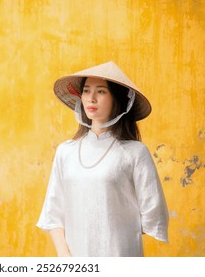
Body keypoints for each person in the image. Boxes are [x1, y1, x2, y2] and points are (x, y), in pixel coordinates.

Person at [36, 61, 169, 257]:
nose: (91, 98)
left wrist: (110, 231)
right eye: (87, 91)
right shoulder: (66, 151)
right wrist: (65, 259)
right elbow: (53, 214)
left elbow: (152, 213)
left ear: (118, 100)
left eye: (101, 92)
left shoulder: (135, 152)